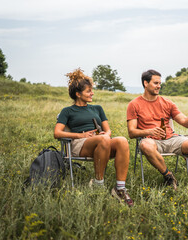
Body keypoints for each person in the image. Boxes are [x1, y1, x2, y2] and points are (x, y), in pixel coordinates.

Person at [54, 68, 133, 207]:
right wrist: (81, 135)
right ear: (78, 94)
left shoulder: (97, 108)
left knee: (122, 141)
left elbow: (108, 131)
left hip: (101, 141)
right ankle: (98, 184)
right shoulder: (67, 111)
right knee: (103, 140)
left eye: (92, 90)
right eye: (88, 91)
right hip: (80, 144)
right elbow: (57, 133)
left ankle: (119, 188)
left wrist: (105, 134)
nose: (92, 93)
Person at [126, 69, 188, 190]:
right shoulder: (134, 104)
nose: (159, 86)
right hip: (151, 141)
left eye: (160, 83)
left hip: (171, 139)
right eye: (156, 83)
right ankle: (169, 176)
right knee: (145, 145)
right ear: (146, 83)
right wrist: (149, 131)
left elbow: (186, 123)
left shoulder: (167, 103)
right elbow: (131, 132)